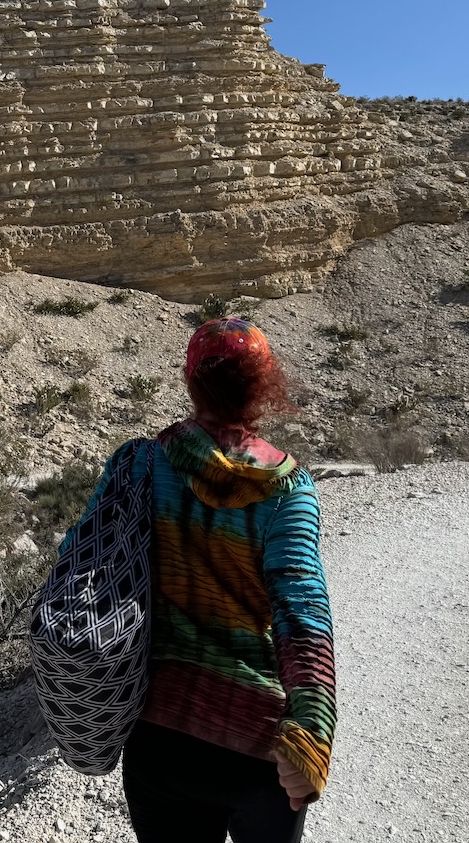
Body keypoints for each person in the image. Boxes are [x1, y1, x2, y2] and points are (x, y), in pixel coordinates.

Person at [118, 316, 336, 843]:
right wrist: (311, 731)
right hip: (255, 745)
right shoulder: (288, 490)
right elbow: (302, 612)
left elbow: (89, 569)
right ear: (263, 386)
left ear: (191, 382)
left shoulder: (140, 464)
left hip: (158, 732)